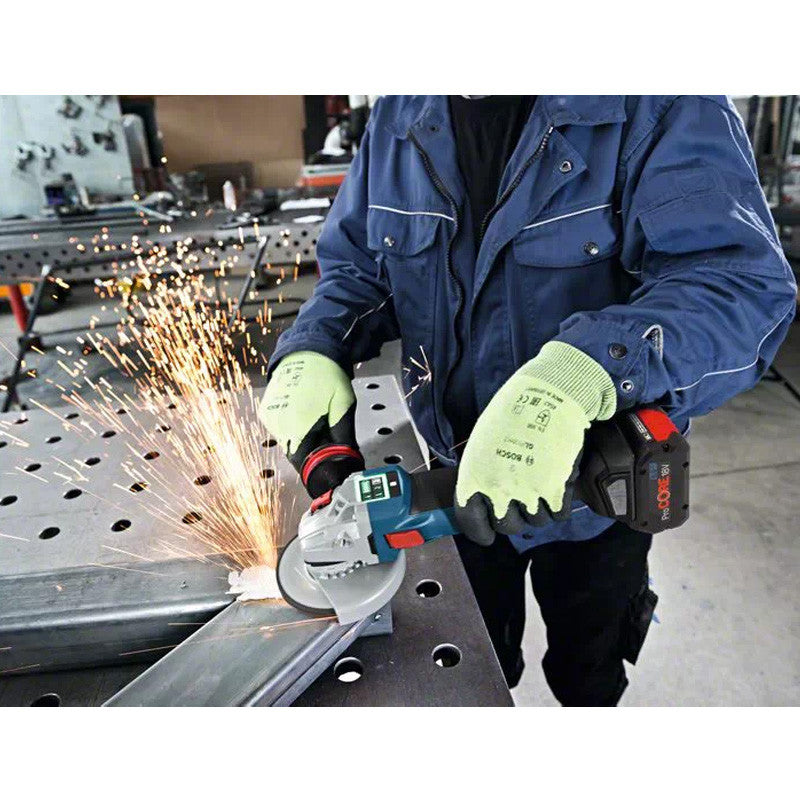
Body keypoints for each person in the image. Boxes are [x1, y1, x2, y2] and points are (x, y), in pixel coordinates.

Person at [260, 96, 796, 705]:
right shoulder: (398, 112)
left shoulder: (662, 98)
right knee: (477, 671)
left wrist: (578, 377)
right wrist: (315, 343)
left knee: (588, 673)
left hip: (595, 494)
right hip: (454, 478)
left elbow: (738, 285)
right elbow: (360, 268)